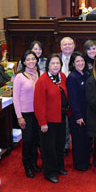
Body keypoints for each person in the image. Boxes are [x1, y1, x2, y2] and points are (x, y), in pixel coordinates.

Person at [34, 54, 69, 183]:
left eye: (58, 63)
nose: (55, 66)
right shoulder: (42, 80)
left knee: (60, 145)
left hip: (61, 117)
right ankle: (50, 172)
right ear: (48, 65)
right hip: (48, 121)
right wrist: (42, 123)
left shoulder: (62, 77)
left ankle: (59, 167)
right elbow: (39, 104)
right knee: (49, 148)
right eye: (53, 63)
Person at [13, 50, 42, 178]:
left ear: (36, 60)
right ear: (24, 62)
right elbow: (15, 98)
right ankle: (27, 165)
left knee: (36, 139)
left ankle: (34, 163)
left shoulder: (39, 73)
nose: (31, 61)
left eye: (33, 59)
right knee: (28, 140)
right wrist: (19, 116)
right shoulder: (19, 77)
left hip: (38, 113)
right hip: (26, 114)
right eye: (28, 59)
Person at [66, 52, 91, 171]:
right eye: (77, 61)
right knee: (78, 140)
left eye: (82, 61)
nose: (80, 63)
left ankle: (86, 161)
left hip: (88, 113)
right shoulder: (72, 77)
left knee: (86, 139)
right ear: (73, 64)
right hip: (78, 115)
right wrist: (78, 115)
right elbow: (72, 99)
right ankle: (79, 164)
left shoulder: (86, 74)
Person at [59, 37, 75, 155]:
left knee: (75, 121)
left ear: (74, 46)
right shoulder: (56, 59)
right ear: (60, 47)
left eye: (70, 44)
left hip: (74, 95)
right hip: (60, 96)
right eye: (65, 44)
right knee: (63, 123)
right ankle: (64, 146)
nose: (67, 46)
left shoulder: (78, 58)